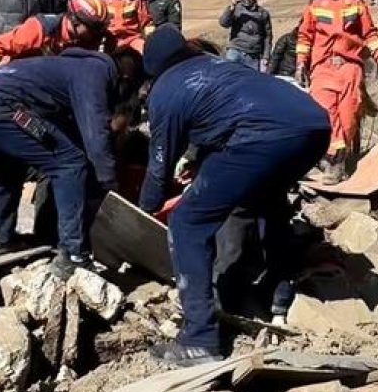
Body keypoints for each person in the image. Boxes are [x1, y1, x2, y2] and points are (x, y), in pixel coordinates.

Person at [138, 25, 331, 366]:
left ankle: (199, 340)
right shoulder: (219, 66)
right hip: (314, 126)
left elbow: (158, 166)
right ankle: (279, 296)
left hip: (262, 136)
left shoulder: (165, 90)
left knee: (188, 221)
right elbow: (227, 118)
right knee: (267, 199)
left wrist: (146, 209)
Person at [0, 48, 131, 276]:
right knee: (70, 163)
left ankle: (2, 240)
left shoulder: (63, 67)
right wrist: (108, 183)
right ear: (125, 77)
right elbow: (97, 137)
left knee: (9, 169)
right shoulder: (95, 74)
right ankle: (74, 256)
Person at [295, 0, 378, 184]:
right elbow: (305, 36)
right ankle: (332, 162)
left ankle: (339, 158)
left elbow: (370, 33)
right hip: (323, 68)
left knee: (348, 117)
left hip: (350, 67)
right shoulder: (315, 5)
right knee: (325, 115)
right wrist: (300, 64)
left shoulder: (356, 3)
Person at [0, 0, 109, 75]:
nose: (96, 34)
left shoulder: (86, 43)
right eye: (94, 28)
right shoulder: (39, 29)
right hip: (17, 81)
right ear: (76, 21)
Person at [218, 0, 272, 71]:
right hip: (235, 52)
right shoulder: (236, 9)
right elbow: (224, 23)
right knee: (229, 78)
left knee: (250, 83)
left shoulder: (263, 13)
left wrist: (266, 56)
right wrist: (231, 8)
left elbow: (267, 37)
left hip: (253, 56)